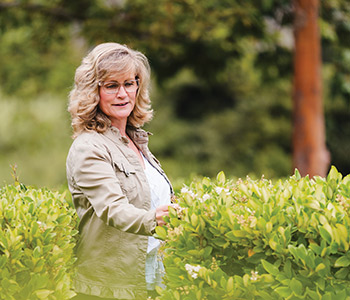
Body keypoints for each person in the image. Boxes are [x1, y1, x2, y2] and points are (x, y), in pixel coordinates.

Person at [66, 42, 174, 300]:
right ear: (94, 92)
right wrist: (155, 219)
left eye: (129, 83)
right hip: (108, 289)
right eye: (111, 86)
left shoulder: (136, 141)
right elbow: (112, 208)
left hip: (150, 282)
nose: (123, 94)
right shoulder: (89, 147)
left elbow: (152, 198)